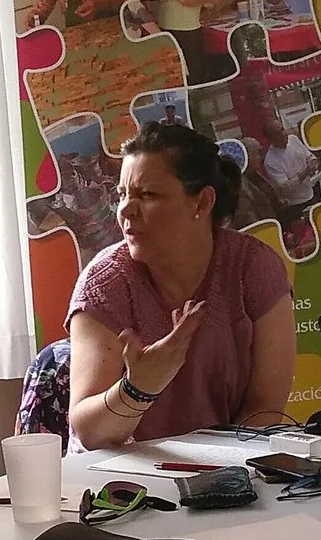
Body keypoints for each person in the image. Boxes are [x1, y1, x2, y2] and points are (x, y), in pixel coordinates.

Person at [66, 121, 296, 449]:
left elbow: (265, 407)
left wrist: (219, 469)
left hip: (230, 466)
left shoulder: (254, 267)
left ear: (201, 203)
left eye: (147, 195)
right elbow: (90, 434)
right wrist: (137, 389)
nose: (125, 209)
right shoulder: (104, 283)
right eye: (122, 194)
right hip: (122, 472)